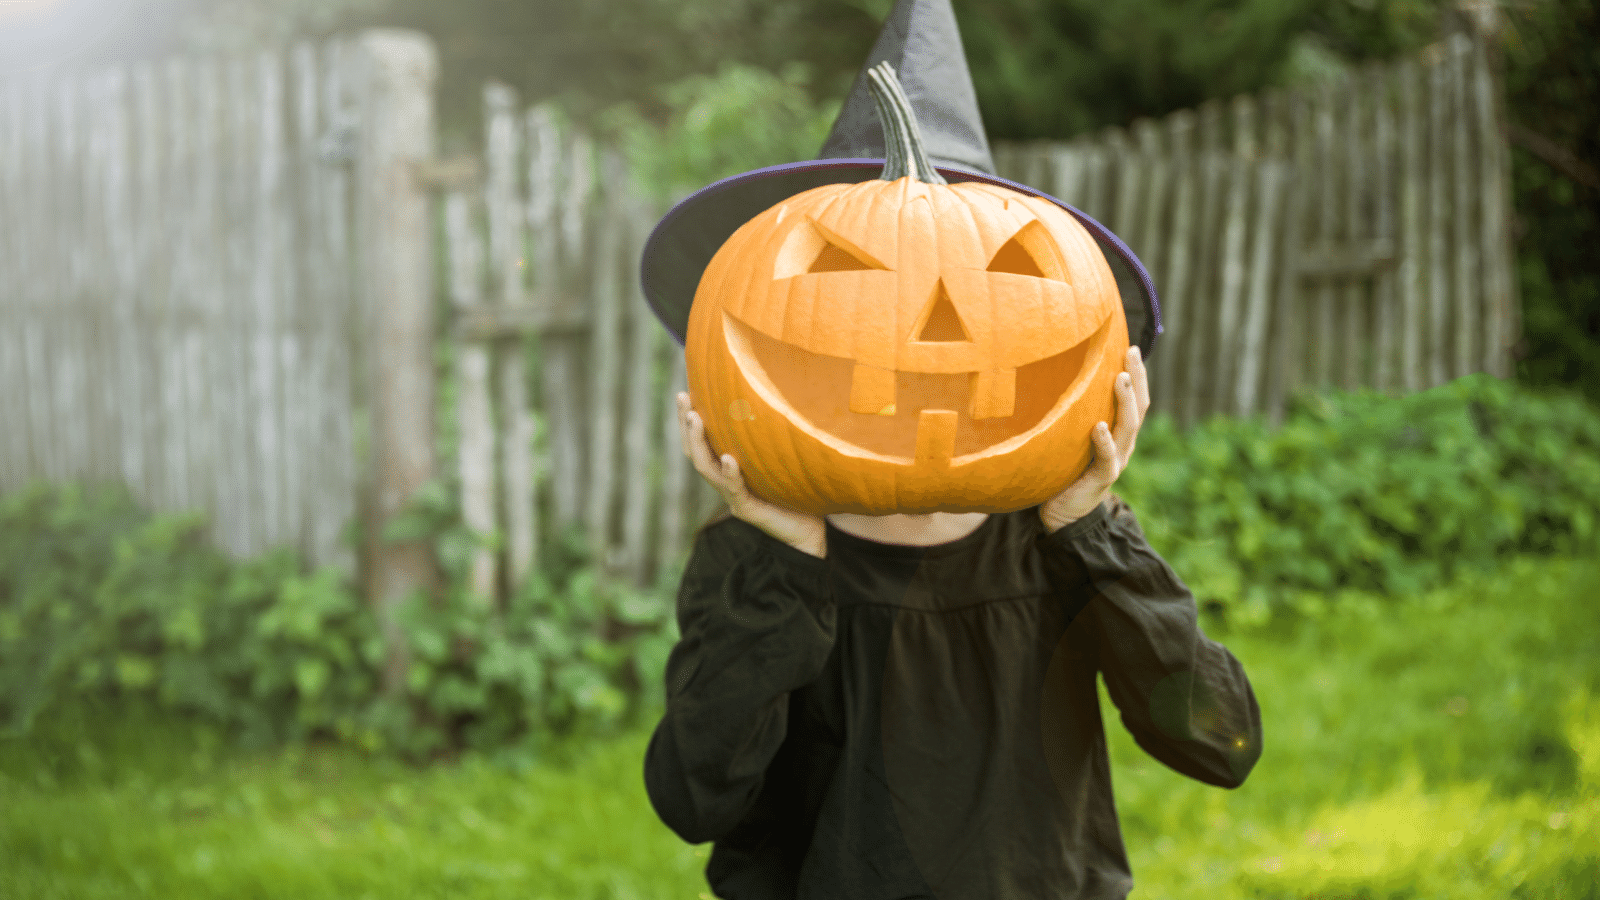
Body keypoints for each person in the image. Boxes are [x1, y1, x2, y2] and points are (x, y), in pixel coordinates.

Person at [642, 345, 1264, 899]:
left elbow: (1220, 742)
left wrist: (1090, 528)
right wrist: (788, 566)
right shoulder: (756, 562)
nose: (920, 380)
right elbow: (696, 802)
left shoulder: (1066, 545)